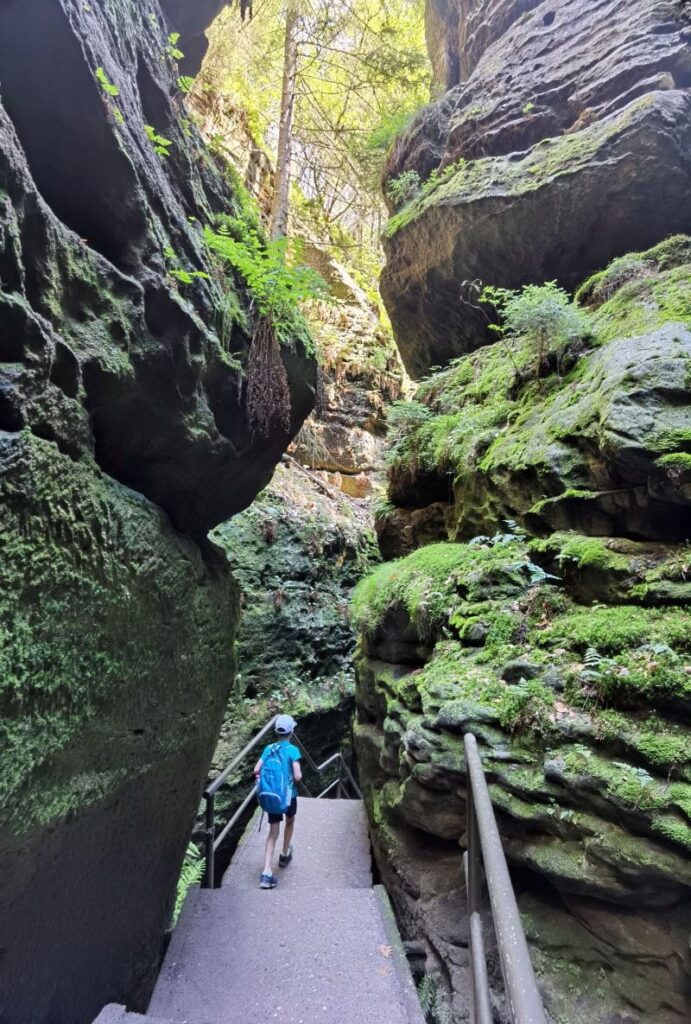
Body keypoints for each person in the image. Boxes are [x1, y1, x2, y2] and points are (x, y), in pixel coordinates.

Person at [253, 713, 302, 889]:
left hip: (272, 797)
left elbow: (256, 769)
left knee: (273, 831)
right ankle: (284, 854)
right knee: (290, 820)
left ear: (276, 732)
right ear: (292, 731)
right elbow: (297, 776)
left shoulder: (269, 748)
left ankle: (266, 873)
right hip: (289, 797)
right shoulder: (293, 751)